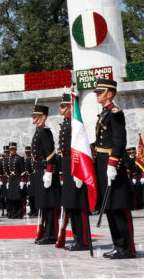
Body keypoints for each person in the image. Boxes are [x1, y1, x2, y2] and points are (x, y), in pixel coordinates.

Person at [94, 78, 135, 259]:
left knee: (119, 207)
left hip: (112, 164)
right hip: (102, 162)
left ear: (108, 93)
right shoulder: (104, 113)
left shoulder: (115, 113)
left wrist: (112, 163)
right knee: (109, 206)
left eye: (99, 91)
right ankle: (117, 245)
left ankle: (127, 248)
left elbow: (119, 142)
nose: (96, 94)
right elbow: (100, 142)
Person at [58, 92, 90, 251]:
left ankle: (83, 240)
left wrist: (78, 172)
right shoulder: (65, 124)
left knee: (79, 204)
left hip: (74, 164)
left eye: (64, 105)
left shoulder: (75, 123)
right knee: (72, 204)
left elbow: (79, 146)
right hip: (66, 164)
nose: (61, 108)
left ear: (71, 108)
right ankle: (77, 238)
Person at [31, 105, 61, 244]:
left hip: (45, 170)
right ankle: (47, 233)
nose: (33, 117)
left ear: (43, 117)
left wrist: (49, 172)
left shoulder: (45, 132)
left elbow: (50, 153)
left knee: (50, 204)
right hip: (39, 169)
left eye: (36, 115)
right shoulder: (38, 131)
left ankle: (52, 235)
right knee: (44, 204)